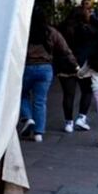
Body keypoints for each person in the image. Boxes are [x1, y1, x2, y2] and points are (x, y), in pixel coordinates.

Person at [20, 8, 77, 141]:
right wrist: (75, 64)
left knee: (22, 94)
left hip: (27, 67)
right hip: (46, 68)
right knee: (40, 100)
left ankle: (28, 118)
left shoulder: (25, 30)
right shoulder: (51, 32)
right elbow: (65, 49)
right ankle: (38, 133)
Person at [60, 0, 98, 132]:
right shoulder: (88, 29)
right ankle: (81, 118)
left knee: (68, 95)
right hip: (84, 65)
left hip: (66, 65)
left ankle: (68, 123)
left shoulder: (62, 28)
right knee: (87, 91)